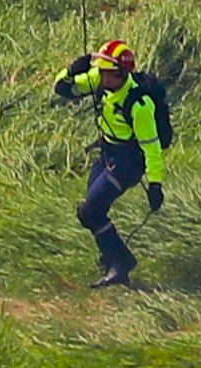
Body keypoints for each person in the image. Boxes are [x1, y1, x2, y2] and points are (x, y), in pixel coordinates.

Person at [50, 36, 172, 288]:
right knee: (91, 211)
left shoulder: (139, 105)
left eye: (107, 73)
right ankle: (112, 257)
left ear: (120, 74)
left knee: (90, 211)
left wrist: (155, 184)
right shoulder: (101, 80)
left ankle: (121, 262)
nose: (101, 78)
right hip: (107, 153)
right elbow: (63, 88)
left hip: (128, 162)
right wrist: (73, 69)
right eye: (100, 72)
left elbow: (152, 148)